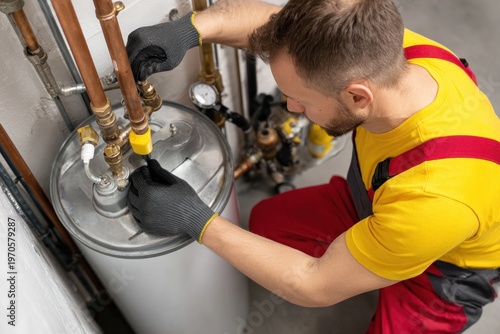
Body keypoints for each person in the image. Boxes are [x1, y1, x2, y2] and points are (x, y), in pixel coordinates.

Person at [126, 0, 500, 332]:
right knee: (267, 227)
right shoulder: (392, 55)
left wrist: (195, 220)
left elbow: (312, 284)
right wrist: (189, 29)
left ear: (357, 96)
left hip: (445, 272)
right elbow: (265, 23)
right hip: (376, 206)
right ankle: (376, 263)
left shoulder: (436, 199)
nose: (290, 109)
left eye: (299, 99)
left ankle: (389, 276)